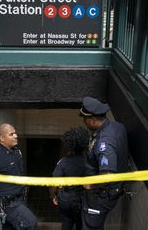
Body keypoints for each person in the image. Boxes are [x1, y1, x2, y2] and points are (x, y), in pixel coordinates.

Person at [79, 97, 129, 230]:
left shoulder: (104, 143)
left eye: (85, 120)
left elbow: (107, 174)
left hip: (100, 195)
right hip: (109, 190)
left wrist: (91, 185)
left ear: (93, 120)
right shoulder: (116, 126)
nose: (84, 122)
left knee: (91, 225)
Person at [50, 127, 89, 230]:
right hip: (82, 200)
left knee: (67, 222)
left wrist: (54, 196)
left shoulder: (63, 162)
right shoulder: (89, 162)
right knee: (81, 224)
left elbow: (54, 182)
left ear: (69, 146)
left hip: (66, 199)